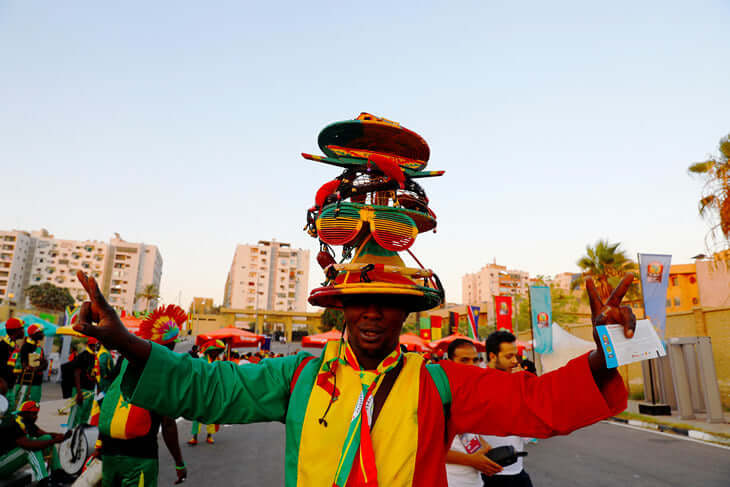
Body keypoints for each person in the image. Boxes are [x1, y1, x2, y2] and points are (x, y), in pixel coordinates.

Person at [71, 113, 636, 487]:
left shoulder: (441, 382)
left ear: (406, 309)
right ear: (340, 305)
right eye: (361, 298)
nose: (372, 311)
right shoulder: (296, 377)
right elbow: (207, 388)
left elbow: (538, 404)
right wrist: (123, 340)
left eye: (387, 300)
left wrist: (606, 351)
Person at [95, 305, 187, 486]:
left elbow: (109, 400)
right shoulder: (164, 367)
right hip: (140, 456)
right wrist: (179, 462)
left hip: (109, 453)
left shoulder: (123, 360)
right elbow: (168, 424)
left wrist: (99, 445)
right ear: (171, 344)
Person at [445, 339, 502, 487]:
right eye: (464, 360)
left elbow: (466, 433)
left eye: (475, 360)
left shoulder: (468, 394)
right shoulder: (438, 396)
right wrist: (472, 460)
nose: (471, 365)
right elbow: (428, 450)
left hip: (475, 481)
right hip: (450, 481)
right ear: (449, 362)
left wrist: (485, 448)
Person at [481, 330, 533, 487]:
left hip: (517, 469)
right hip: (491, 473)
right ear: (492, 356)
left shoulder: (516, 383)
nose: (515, 361)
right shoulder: (479, 384)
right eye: (508, 356)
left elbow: (528, 429)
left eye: (515, 355)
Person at [0, 400, 71, 486]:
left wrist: (59, 436)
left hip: (6, 461)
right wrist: (55, 440)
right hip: (1, 465)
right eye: (34, 414)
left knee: (46, 439)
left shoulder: (25, 420)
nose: (36, 417)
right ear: (25, 413)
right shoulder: (14, 423)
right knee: (30, 449)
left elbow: (43, 434)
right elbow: (27, 444)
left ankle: (57, 472)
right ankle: (43, 481)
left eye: (36, 413)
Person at [187, 339, 224, 446]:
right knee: (197, 415)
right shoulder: (202, 361)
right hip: (201, 392)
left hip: (214, 392)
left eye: (218, 351)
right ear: (209, 351)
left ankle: (209, 436)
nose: (216, 352)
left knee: (212, 415)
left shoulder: (220, 362)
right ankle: (194, 437)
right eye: (214, 350)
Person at [15, 323, 48, 404]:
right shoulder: (26, 346)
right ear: (34, 334)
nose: (43, 334)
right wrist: (40, 365)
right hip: (26, 383)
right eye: (40, 332)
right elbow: (25, 366)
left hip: (36, 382)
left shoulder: (39, 347)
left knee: (34, 406)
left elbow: (44, 364)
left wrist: (41, 365)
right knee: (21, 405)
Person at [68, 338, 97, 427]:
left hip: (90, 389)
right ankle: (70, 436)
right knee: (76, 415)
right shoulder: (83, 356)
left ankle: (80, 435)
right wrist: (79, 392)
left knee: (85, 415)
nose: (96, 347)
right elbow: (76, 373)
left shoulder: (95, 356)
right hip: (80, 389)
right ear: (90, 345)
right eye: (95, 345)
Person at [0, 317, 25, 407]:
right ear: (16, 331)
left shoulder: (14, 346)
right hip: (3, 390)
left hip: (11, 388)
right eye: (22, 329)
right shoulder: (2, 346)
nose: (24, 331)